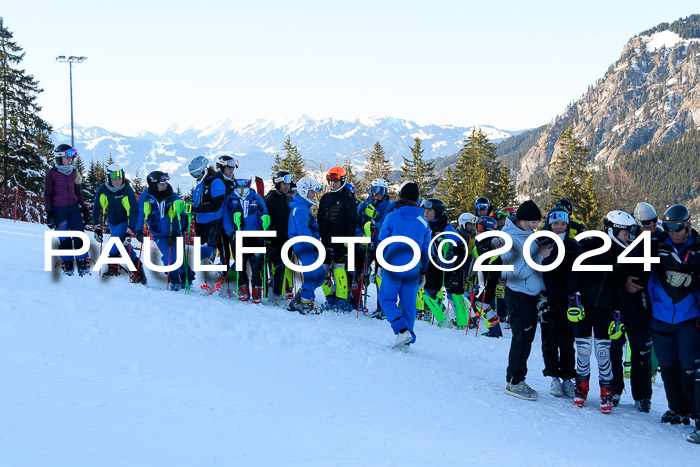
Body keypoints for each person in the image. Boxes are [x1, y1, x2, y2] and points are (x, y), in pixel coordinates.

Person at [567, 210, 634, 413]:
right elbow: (574, 272)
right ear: (613, 230)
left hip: (606, 309)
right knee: (583, 350)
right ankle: (581, 388)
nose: (628, 237)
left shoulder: (624, 254)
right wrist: (573, 298)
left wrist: (618, 313)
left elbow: (623, 286)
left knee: (604, 352)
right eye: (625, 232)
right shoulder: (590, 245)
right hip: (584, 308)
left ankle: (606, 391)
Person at [647, 204, 699, 442]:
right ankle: (677, 409)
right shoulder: (659, 246)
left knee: (690, 369)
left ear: (687, 225)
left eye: (676, 227)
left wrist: (691, 281)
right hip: (661, 315)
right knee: (667, 366)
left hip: (689, 316)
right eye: (667, 227)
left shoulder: (698, 249)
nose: (672, 232)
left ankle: (696, 414)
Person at [501, 200, 553, 401]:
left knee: (525, 339)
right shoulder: (512, 240)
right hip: (518, 294)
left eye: (537, 222)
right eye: (531, 221)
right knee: (522, 339)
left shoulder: (528, 236)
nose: (535, 225)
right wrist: (538, 256)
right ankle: (516, 381)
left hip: (529, 296)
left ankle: (512, 378)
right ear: (521, 220)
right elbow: (517, 273)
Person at [610, 201, 660, 412]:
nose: (650, 227)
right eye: (645, 224)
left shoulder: (660, 239)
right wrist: (623, 284)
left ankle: (642, 395)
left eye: (654, 222)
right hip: (620, 303)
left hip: (642, 304)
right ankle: (614, 389)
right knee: (614, 348)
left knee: (642, 351)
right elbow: (609, 272)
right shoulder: (622, 241)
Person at [377, 181, 431, 352]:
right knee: (408, 304)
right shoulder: (423, 222)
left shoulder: (392, 217)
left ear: (401, 197)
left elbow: (382, 242)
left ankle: (402, 330)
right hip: (413, 269)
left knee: (386, 298)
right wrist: (423, 271)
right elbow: (425, 250)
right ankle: (406, 340)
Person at [540, 207, 579, 397]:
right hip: (547, 298)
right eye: (555, 223)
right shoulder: (541, 243)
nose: (559, 227)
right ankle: (553, 376)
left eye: (563, 224)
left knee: (567, 340)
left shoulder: (573, 246)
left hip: (568, 299)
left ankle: (567, 377)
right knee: (549, 339)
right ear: (549, 224)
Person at [134, 171, 193, 291]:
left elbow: (183, 216)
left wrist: (177, 233)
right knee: (170, 257)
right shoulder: (145, 197)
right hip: (158, 234)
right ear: (153, 185)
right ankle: (174, 280)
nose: (165, 185)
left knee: (180, 258)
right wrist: (138, 231)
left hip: (175, 232)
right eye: (162, 183)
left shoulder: (173, 196)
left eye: (165, 182)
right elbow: (140, 214)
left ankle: (186, 277)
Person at [92, 164, 146, 284]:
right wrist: (96, 226)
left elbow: (133, 211)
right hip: (112, 222)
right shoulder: (103, 189)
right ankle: (139, 274)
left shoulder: (127, 190)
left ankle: (113, 268)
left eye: (119, 178)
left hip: (125, 222)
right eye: (114, 178)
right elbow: (97, 208)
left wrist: (130, 230)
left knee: (114, 242)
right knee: (124, 247)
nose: (117, 181)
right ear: (108, 178)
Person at [222, 171, 270, 304]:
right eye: (239, 183)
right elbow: (226, 217)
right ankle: (243, 288)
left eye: (246, 183)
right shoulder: (231, 199)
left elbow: (263, 211)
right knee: (240, 264)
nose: (242, 186)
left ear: (249, 183)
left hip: (254, 236)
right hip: (238, 236)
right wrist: (231, 232)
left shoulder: (256, 198)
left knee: (256, 264)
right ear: (235, 183)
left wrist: (264, 220)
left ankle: (257, 290)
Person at [43, 144, 91, 276]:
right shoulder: (51, 174)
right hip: (59, 210)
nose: (70, 160)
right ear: (59, 158)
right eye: (67, 157)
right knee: (64, 239)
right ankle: (68, 264)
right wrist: (49, 213)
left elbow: (78, 192)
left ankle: (82, 263)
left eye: (72, 157)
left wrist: (84, 209)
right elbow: (47, 194)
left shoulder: (74, 172)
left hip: (74, 209)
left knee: (79, 236)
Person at [421, 198, 468, 329]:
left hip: (452, 268)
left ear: (438, 212)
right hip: (436, 266)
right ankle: (444, 319)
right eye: (425, 210)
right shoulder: (427, 227)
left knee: (455, 296)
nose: (426, 213)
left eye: (429, 210)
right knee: (428, 294)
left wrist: (456, 273)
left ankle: (463, 323)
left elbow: (461, 250)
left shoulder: (448, 230)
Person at [317, 166, 357, 312]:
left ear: (342, 181)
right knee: (322, 273)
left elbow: (352, 223)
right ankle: (331, 298)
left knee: (339, 273)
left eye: (335, 180)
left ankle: (341, 301)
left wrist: (346, 244)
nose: (332, 183)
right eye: (330, 180)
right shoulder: (325, 198)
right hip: (325, 242)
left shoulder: (348, 200)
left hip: (341, 243)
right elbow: (320, 219)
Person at [355, 178, 395, 318]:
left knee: (381, 276)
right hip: (365, 245)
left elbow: (387, 225)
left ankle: (381, 306)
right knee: (359, 271)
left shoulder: (389, 208)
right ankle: (356, 301)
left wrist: (376, 219)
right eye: (375, 190)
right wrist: (360, 236)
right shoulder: (363, 206)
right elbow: (357, 224)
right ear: (370, 190)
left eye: (381, 191)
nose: (377, 194)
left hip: (381, 246)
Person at [287, 177, 324, 315]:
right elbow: (303, 230)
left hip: (308, 244)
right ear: (303, 192)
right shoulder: (300, 208)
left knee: (319, 274)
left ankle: (298, 301)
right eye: (311, 192)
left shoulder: (303, 207)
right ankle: (306, 305)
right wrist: (313, 245)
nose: (314, 195)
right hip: (303, 245)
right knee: (313, 273)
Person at [467, 216, 506, 338]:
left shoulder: (495, 241)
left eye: (479, 227)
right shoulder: (478, 242)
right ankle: (494, 329)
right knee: (480, 303)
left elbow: (505, 259)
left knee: (482, 303)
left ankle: (495, 330)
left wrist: (502, 281)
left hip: (494, 278)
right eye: (476, 227)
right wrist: (471, 276)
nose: (476, 230)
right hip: (484, 278)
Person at [188, 156, 227, 270]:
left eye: (196, 174)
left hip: (213, 221)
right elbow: (197, 203)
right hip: (201, 222)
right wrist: (189, 206)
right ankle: (208, 277)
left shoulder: (216, 182)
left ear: (204, 170)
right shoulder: (200, 185)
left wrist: (195, 208)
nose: (196, 178)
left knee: (209, 250)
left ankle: (211, 276)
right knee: (202, 251)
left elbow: (215, 205)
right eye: (193, 175)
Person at [264, 170, 295, 301]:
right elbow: (266, 221)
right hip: (274, 241)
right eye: (283, 184)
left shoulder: (288, 199)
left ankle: (284, 290)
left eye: (288, 184)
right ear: (277, 184)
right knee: (278, 267)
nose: (286, 186)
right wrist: (267, 238)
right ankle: (275, 294)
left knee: (287, 266)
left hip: (287, 240)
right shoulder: (270, 199)